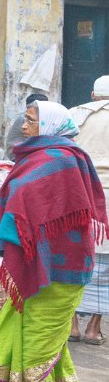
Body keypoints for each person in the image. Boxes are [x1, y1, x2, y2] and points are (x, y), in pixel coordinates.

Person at [0, 101, 107, 382]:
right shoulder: (56, 155)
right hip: (62, 257)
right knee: (50, 323)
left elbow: (28, 196)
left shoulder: (59, 159)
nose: (24, 126)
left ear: (49, 125)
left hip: (57, 262)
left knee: (40, 322)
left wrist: (9, 183)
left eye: (31, 121)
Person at [70, 76, 109, 344]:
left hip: (79, 194)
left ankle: (71, 325)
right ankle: (94, 329)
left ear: (93, 95)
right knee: (105, 267)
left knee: (74, 259)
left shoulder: (76, 115)